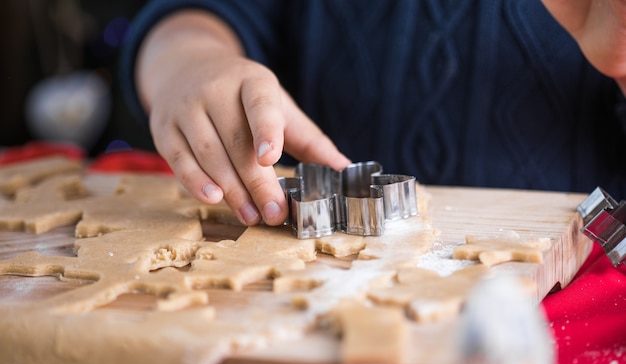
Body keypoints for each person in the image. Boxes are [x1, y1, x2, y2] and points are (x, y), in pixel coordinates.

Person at [120, 0, 626, 227]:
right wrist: (188, 65)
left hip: (565, 305)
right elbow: (193, 15)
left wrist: (619, 59)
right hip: (318, 288)